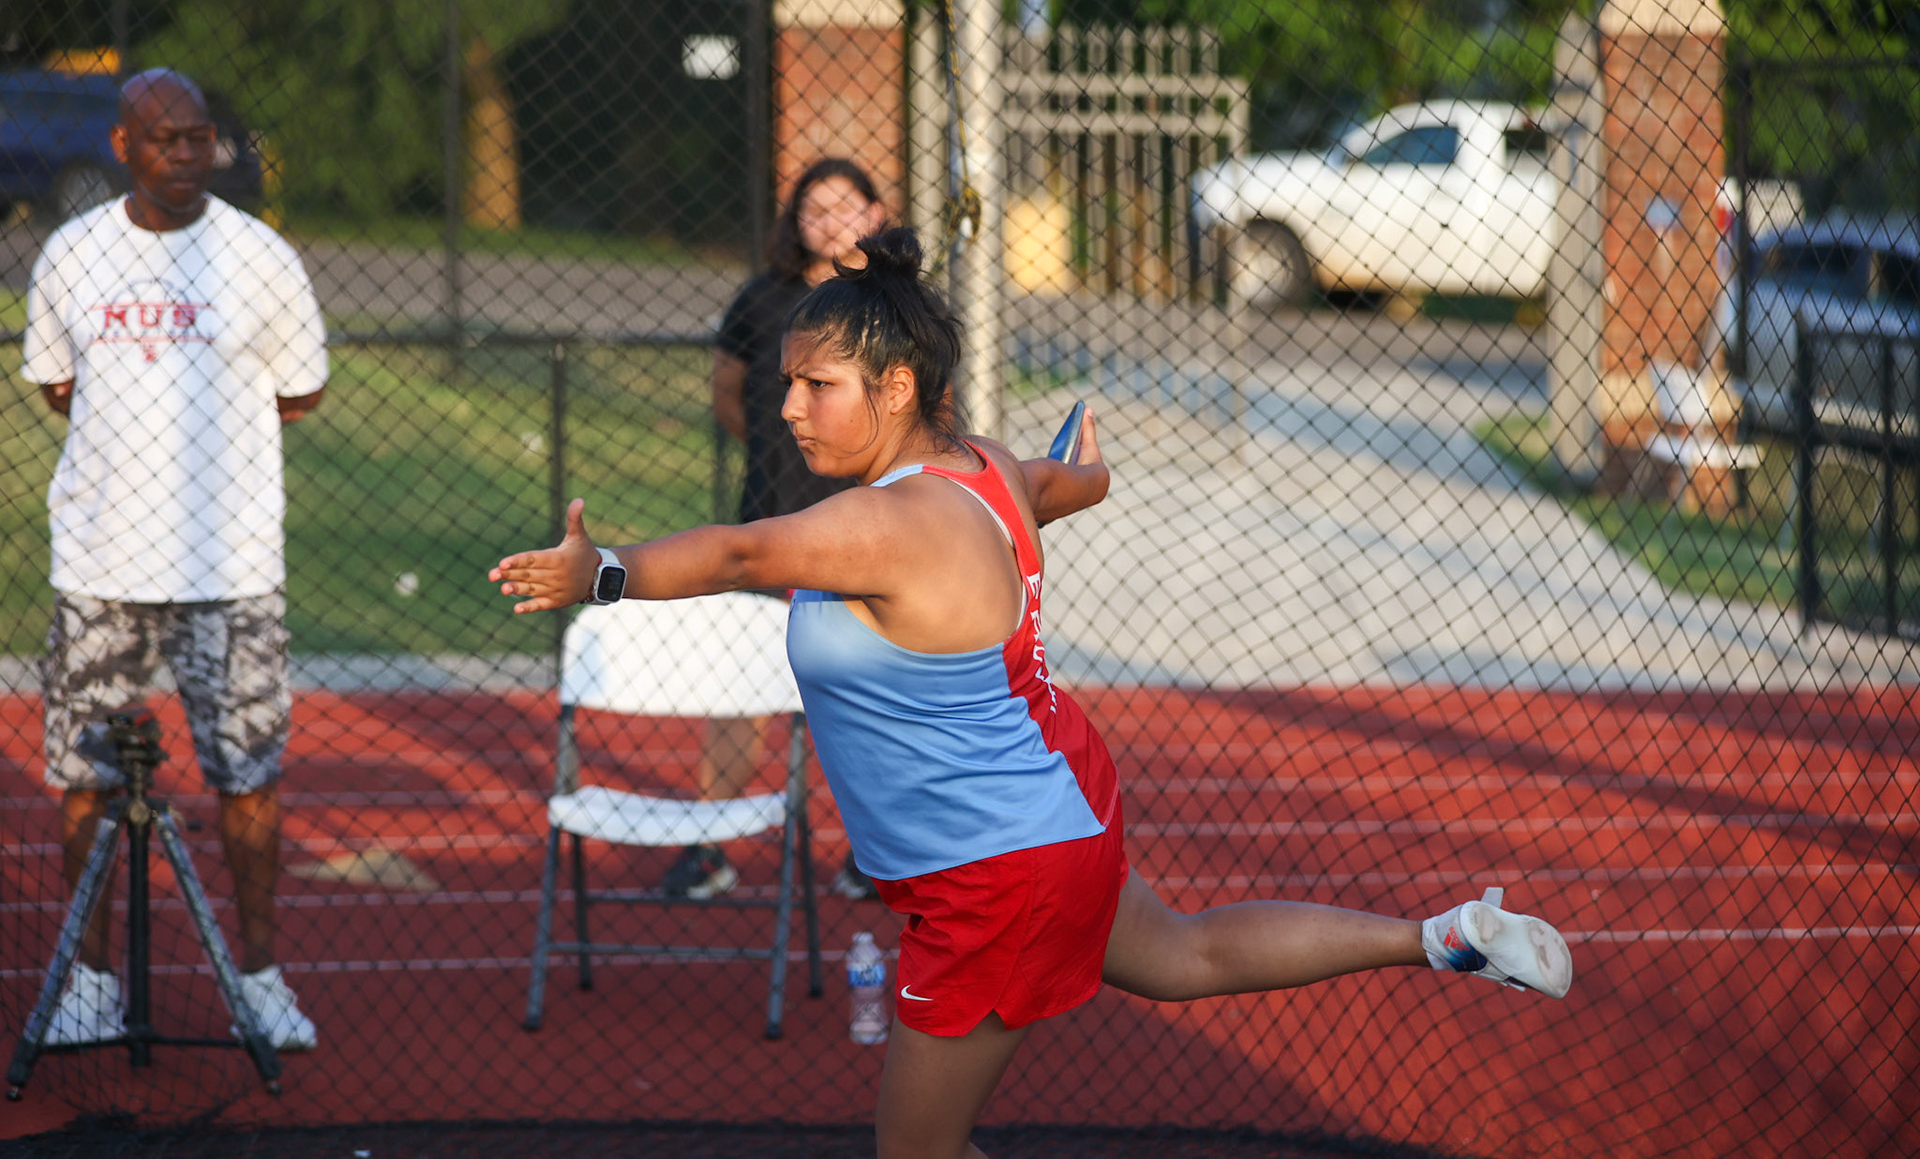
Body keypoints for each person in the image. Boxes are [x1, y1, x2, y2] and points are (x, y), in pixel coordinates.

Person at [490, 228, 1572, 1159]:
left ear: (895, 387)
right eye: (787, 384)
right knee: (1182, 955)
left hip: (995, 865)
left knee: (914, 1152)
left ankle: (1437, 937)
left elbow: (737, 553)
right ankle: (1440, 936)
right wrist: (1087, 476)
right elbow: (1062, 484)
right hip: (1054, 806)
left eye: (817, 387)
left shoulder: (878, 524)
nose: (790, 409)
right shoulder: (984, 467)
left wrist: (605, 573)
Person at [22, 69, 327, 1052]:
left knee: (248, 775)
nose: (190, 155)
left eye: (201, 138)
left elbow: (299, 392)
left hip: (230, 571)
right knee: (87, 780)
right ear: (123, 147)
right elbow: (57, 384)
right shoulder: (73, 253)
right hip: (101, 567)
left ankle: (260, 979)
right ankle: (90, 982)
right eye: (167, 140)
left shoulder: (261, 257)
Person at [662, 158, 885, 901]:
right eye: (813, 209)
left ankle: (878, 852)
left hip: (859, 535)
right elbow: (728, 394)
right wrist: (785, 450)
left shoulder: (888, 307)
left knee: (864, 696)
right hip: (770, 521)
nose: (830, 221)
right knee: (739, 693)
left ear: (875, 215)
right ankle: (707, 848)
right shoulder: (762, 300)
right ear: (794, 221)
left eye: (845, 206)